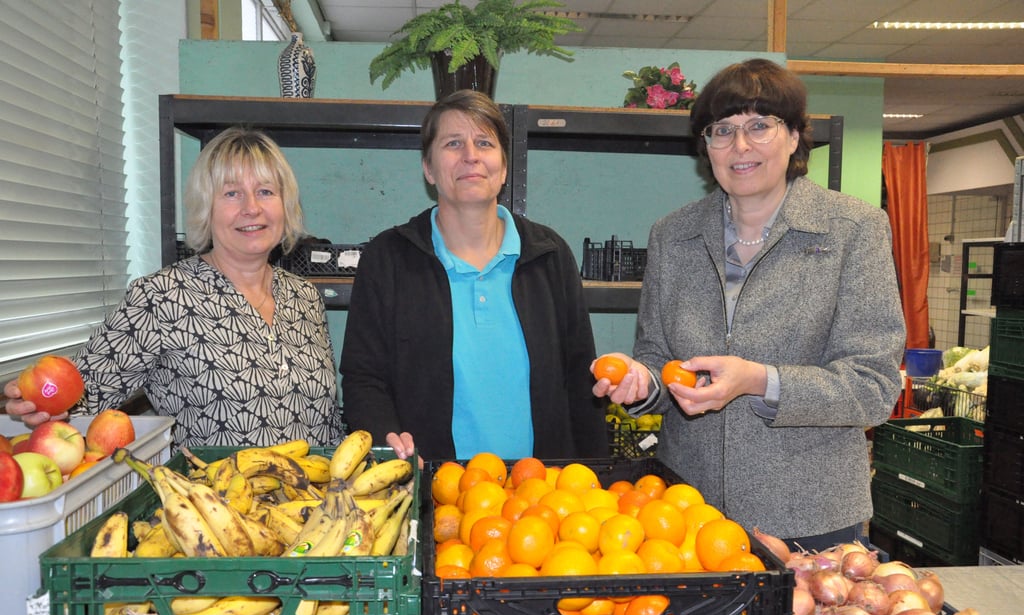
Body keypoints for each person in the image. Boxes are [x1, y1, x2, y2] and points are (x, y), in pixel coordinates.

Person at [593, 59, 905, 551]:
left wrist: (760, 381)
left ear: (796, 136)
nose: (741, 146)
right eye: (723, 130)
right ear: (706, 146)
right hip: (685, 514)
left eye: (760, 125)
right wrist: (641, 383)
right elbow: (657, 356)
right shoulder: (673, 235)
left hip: (808, 514)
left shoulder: (853, 230)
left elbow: (874, 385)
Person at [4, 127, 345, 448]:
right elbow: (79, 397)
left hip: (315, 503)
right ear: (205, 208)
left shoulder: (304, 297)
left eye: (265, 191)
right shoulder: (161, 298)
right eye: (231, 193)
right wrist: (39, 403)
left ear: (285, 205)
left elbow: (327, 420)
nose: (251, 207)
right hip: (210, 503)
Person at [340, 89, 607, 462]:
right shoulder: (389, 258)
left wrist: (595, 479)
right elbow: (363, 377)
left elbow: (582, 381)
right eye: (453, 143)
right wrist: (389, 448)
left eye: (484, 142)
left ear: (503, 167)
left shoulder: (549, 255)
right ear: (428, 168)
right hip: (432, 489)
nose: (471, 155)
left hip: (541, 496)